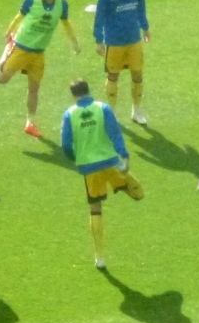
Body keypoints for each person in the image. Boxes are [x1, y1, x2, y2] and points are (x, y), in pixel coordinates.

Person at [61, 79, 144, 269]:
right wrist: (124, 155)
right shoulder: (103, 108)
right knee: (140, 194)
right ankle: (120, 184)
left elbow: (65, 145)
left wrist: (77, 158)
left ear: (73, 95)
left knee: (95, 208)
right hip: (111, 163)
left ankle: (99, 257)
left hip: (89, 168)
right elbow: (115, 133)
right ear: (89, 90)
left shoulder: (69, 114)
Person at [0, 0, 81, 138]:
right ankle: (6, 51)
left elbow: (66, 24)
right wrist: (9, 32)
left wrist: (75, 43)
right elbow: (19, 16)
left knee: (34, 89)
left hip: (38, 53)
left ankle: (30, 122)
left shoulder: (61, 5)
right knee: (1, 79)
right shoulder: (31, 1)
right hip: (21, 47)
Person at [94, 0, 150, 124]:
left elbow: (141, 8)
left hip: (133, 39)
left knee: (138, 74)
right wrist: (99, 39)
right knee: (113, 75)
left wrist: (145, 28)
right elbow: (100, 16)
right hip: (115, 41)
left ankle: (136, 111)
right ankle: (112, 114)